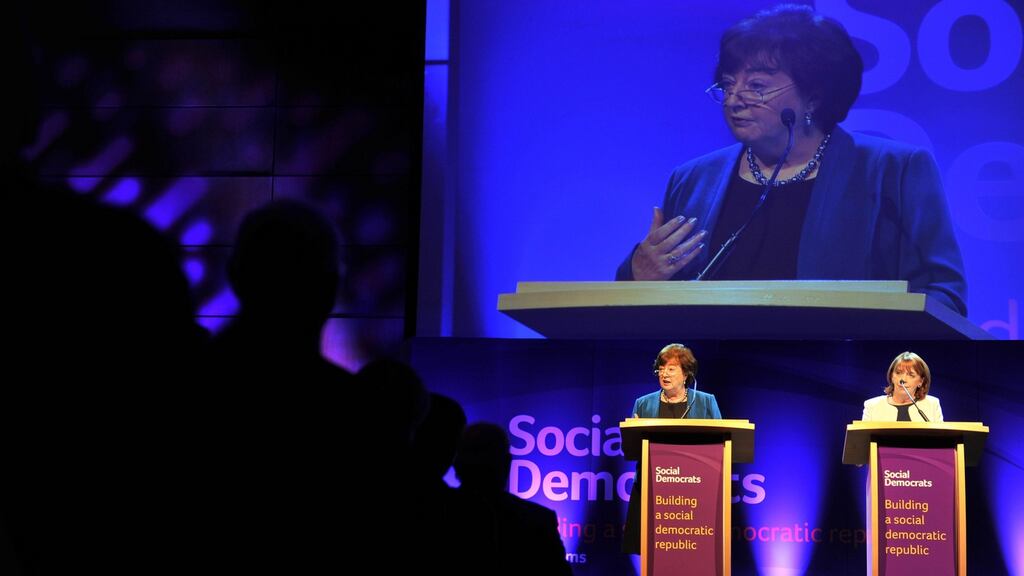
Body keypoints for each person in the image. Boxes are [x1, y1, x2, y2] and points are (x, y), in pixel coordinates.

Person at [615, 4, 967, 316]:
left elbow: (943, 297)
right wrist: (637, 275)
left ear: (813, 95)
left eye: (756, 86)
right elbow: (652, 302)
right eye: (727, 84)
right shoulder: (693, 179)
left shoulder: (893, 171)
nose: (734, 99)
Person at [623, 343, 722, 554]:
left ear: (686, 373)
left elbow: (721, 445)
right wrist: (635, 431)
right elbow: (630, 449)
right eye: (661, 368)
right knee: (653, 551)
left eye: (671, 368)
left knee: (690, 553)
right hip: (652, 489)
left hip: (695, 493)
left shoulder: (706, 402)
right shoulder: (643, 404)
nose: (664, 374)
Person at [862, 351, 944, 422]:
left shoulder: (932, 404)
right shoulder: (872, 406)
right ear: (891, 376)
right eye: (898, 373)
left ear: (920, 381)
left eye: (911, 375)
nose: (903, 379)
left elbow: (941, 438)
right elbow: (864, 439)